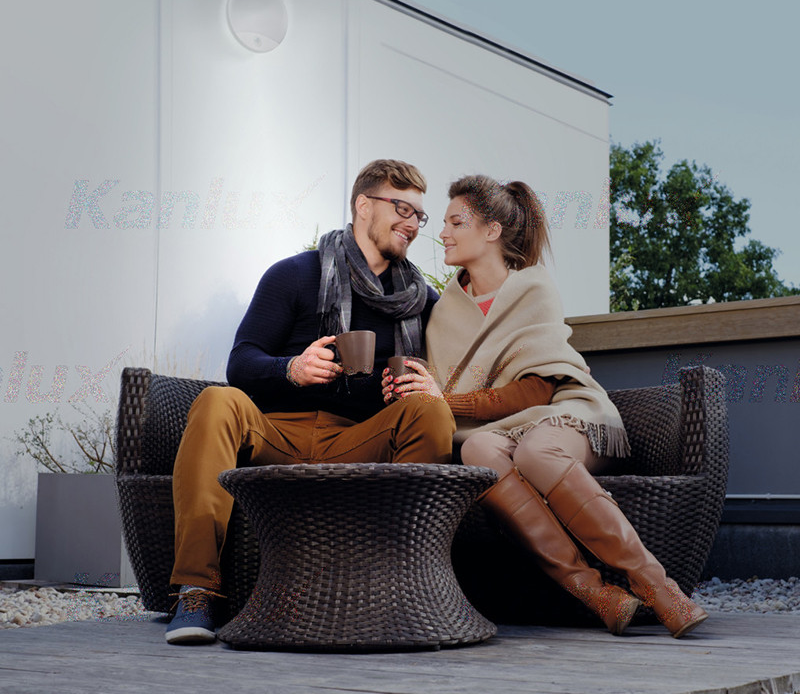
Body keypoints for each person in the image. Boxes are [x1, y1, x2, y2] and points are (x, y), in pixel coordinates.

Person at [383, 174, 708, 638]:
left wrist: (445, 399)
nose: (443, 233)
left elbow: (536, 390)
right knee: (477, 452)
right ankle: (593, 592)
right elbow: (440, 388)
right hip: (491, 430)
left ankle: (657, 586)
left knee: (537, 451)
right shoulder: (444, 311)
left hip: (567, 413)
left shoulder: (532, 288)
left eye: (456, 222)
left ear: (492, 230)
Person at [165, 159, 455, 645]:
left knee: (430, 409)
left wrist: (432, 388)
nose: (413, 223)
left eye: (419, 215)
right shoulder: (294, 274)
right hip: (276, 433)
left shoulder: (420, 299)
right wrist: (291, 368)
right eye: (402, 208)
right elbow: (241, 361)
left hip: (359, 438)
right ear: (364, 206)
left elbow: (463, 357)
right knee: (217, 400)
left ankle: (397, 586)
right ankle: (197, 592)